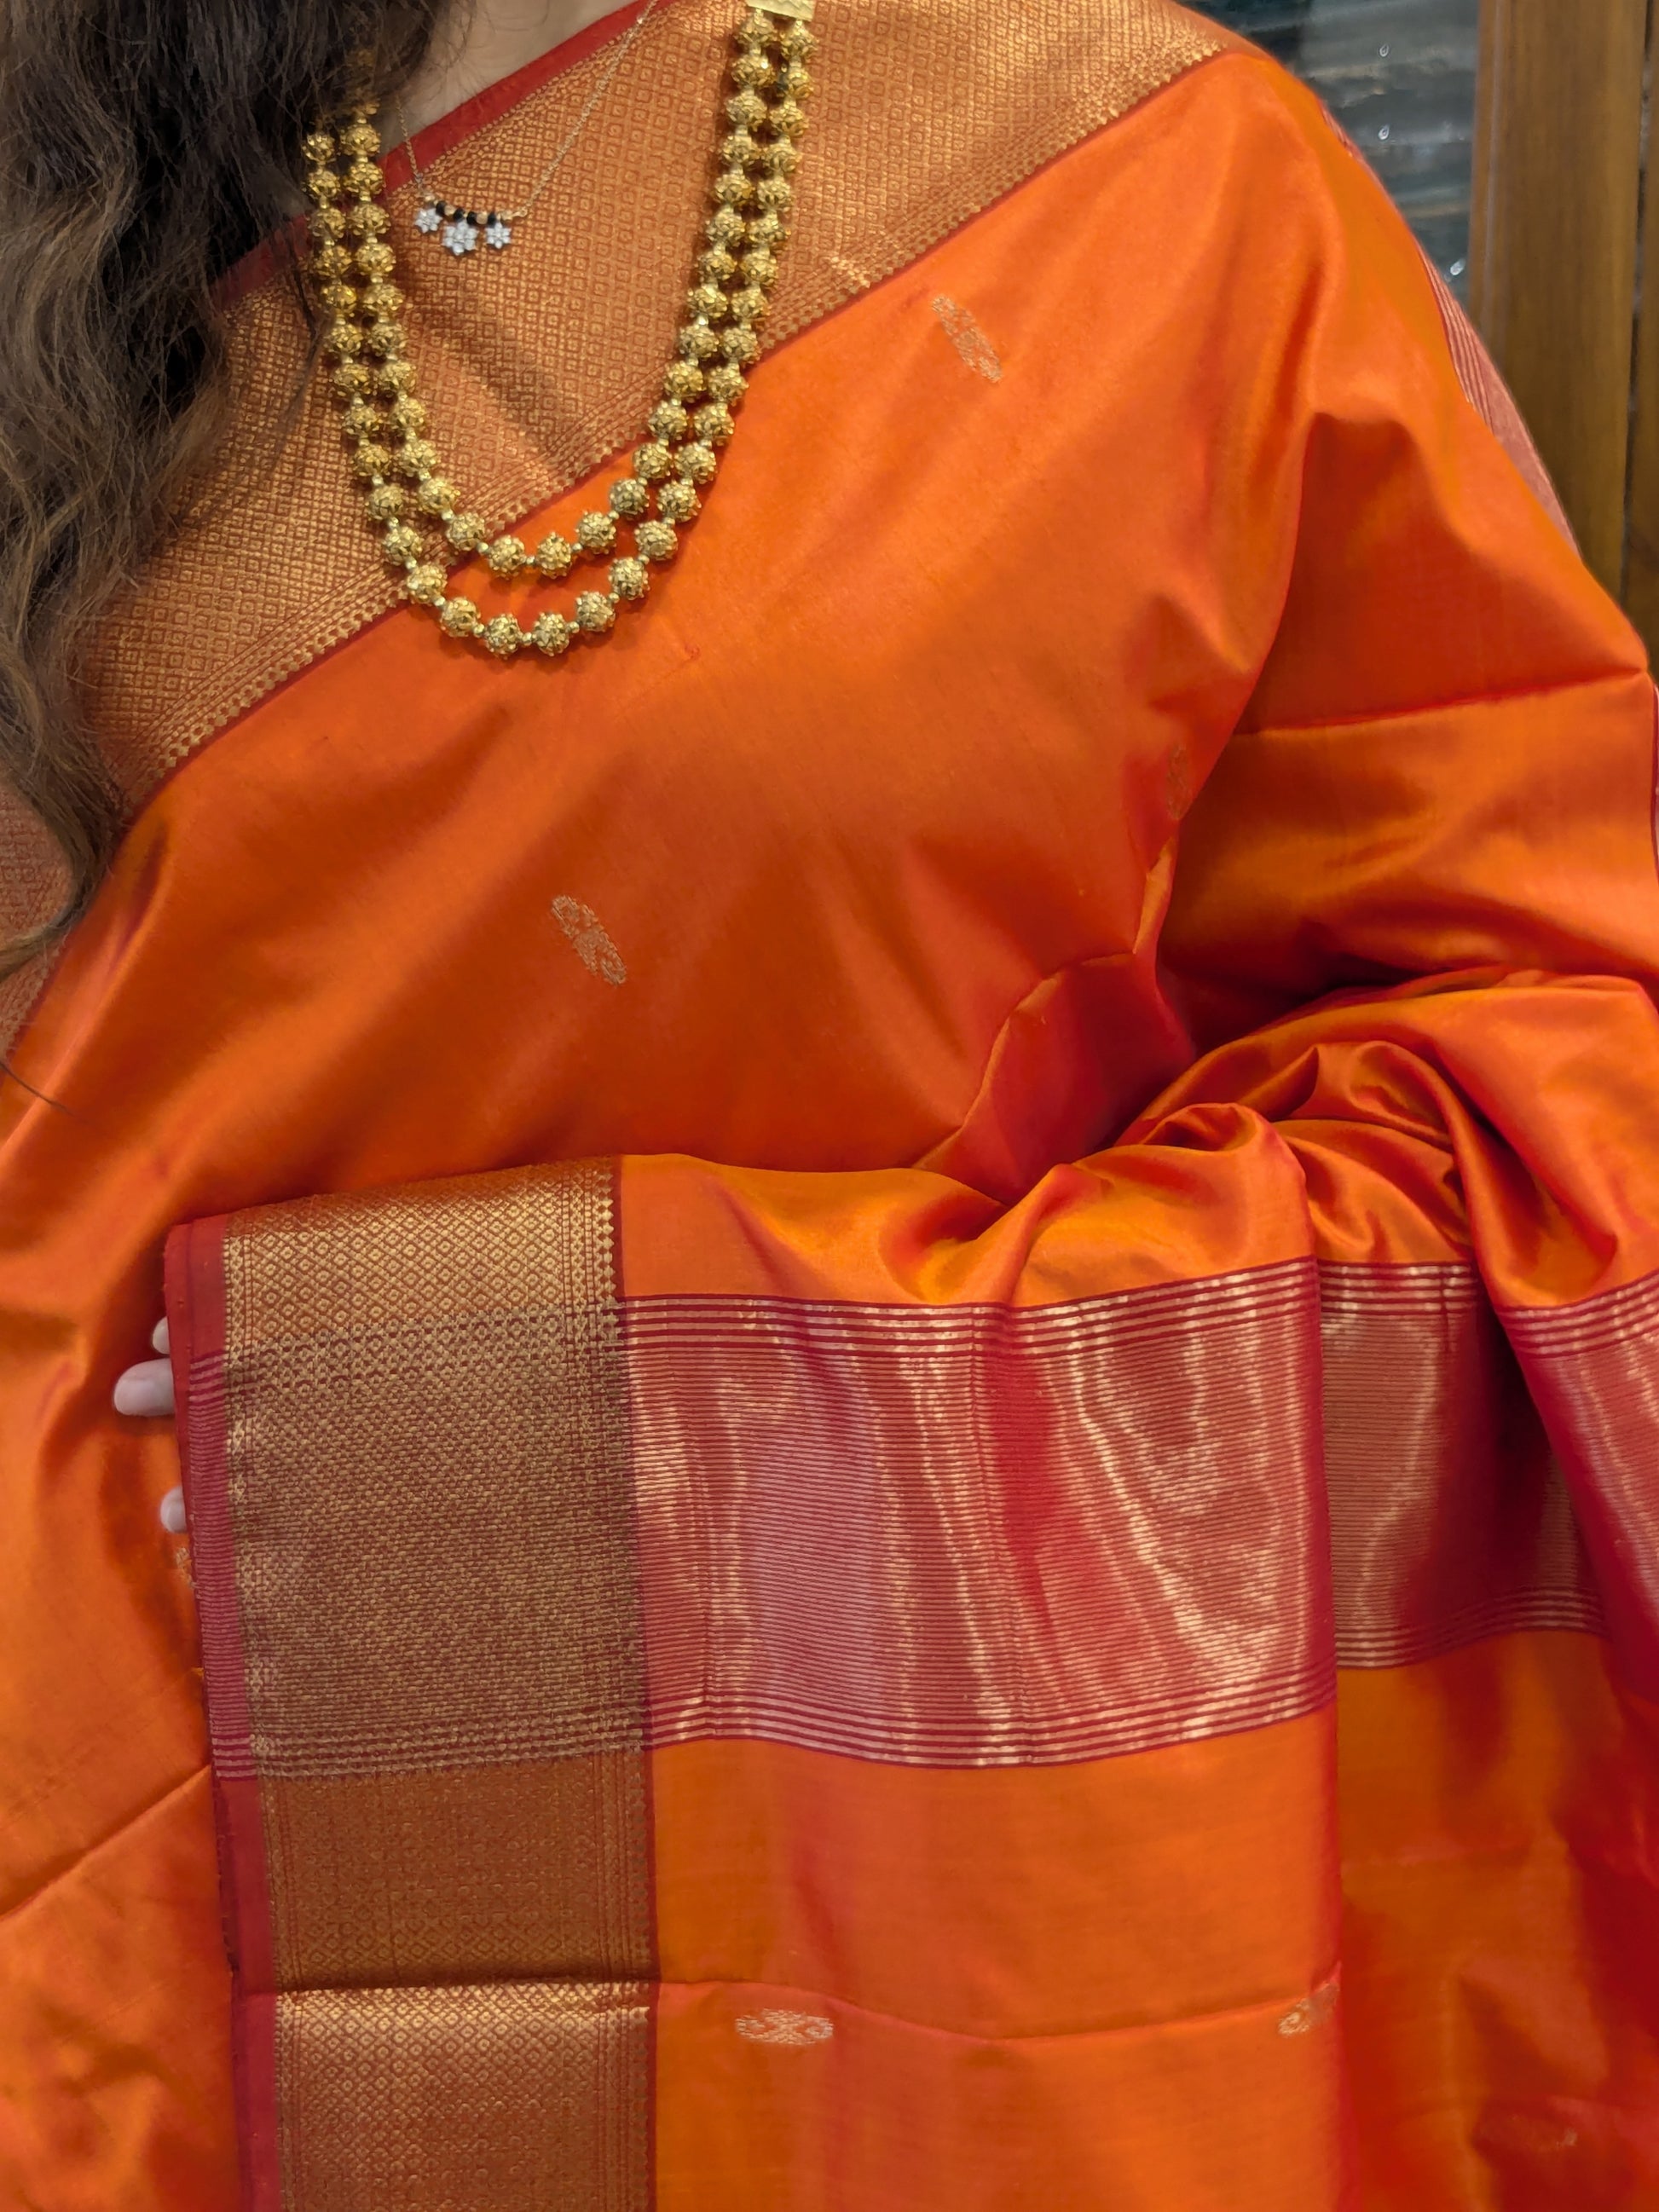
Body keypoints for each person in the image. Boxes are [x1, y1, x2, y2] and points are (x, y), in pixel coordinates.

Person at [3, 0, 1656, 2203]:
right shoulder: (61, 144)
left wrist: (686, 1426)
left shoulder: (1143, 196)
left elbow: (1567, 1126)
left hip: (788, 1992)